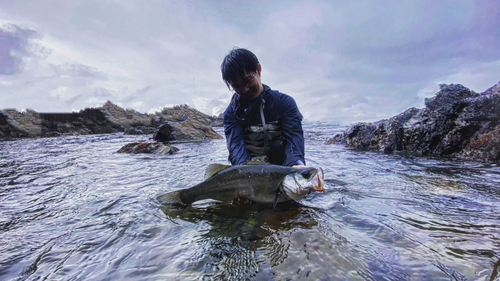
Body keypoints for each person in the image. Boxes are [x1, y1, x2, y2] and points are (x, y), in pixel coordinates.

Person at [221, 48, 305, 167]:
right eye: (237, 86)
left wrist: (296, 163)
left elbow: (293, 138)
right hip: (249, 170)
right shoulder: (231, 114)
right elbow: (236, 148)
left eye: (247, 81)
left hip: (282, 168)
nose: (245, 89)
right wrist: (245, 171)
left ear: (258, 70)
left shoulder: (285, 103)